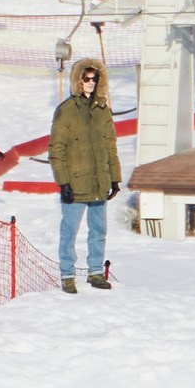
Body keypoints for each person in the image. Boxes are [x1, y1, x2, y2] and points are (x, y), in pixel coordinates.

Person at [51, 57, 119, 292]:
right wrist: (63, 182)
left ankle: (96, 272)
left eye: (95, 78)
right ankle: (67, 274)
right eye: (86, 78)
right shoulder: (66, 111)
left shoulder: (103, 110)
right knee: (69, 231)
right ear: (78, 81)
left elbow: (110, 146)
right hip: (75, 184)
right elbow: (56, 149)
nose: (91, 82)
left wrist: (114, 178)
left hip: (99, 183)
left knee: (99, 230)